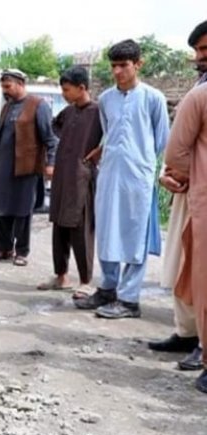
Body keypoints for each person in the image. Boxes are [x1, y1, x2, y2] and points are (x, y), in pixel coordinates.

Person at [74, 39, 169, 319]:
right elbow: (109, 132)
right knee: (107, 231)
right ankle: (108, 288)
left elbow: (161, 139)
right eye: (113, 66)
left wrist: (144, 164)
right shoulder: (105, 99)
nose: (117, 72)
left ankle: (129, 300)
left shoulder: (153, 98)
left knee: (134, 235)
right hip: (110, 173)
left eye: (123, 65)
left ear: (138, 64)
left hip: (138, 177)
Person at [149, 20, 207, 368]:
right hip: (191, 191)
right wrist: (172, 175)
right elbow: (179, 148)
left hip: (196, 188)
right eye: (199, 51)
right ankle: (188, 335)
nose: (201, 57)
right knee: (184, 264)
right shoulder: (199, 89)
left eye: (206, 50)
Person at [37, 66, 102, 298]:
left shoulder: (98, 112)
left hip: (82, 177)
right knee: (60, 226)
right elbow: (55, 127)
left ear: (81, 88)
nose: (63, 94)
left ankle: (85, 280)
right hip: (63, 175)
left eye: (66, 89)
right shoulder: (68, 112)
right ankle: (61, 275)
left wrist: (98, 151)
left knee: (80, 227)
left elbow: (112, 136)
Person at [0, 69, 57, 267]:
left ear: (20, 84)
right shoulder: (7, 107)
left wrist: (50, 164)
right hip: (4, 167)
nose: (5, 90)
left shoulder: (38, 105)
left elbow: (50, 139)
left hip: (26, 168)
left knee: (23, 210)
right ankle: (4, 249)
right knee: (2, 209)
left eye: (8, 86)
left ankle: (22, 251)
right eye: (3, 87)